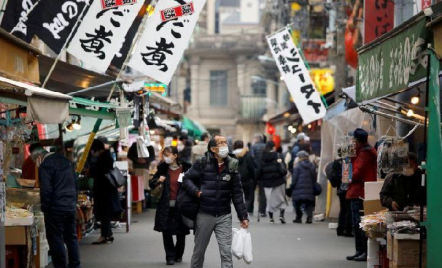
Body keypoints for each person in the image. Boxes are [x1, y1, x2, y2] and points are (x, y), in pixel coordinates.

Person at [183, 135, 249, 268]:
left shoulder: (232, 164)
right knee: (199, 252)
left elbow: (237, 192)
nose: (226, 145)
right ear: (213, 149)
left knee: (226, 253)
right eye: (222, 143)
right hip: (204, 213)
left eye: (226, 142)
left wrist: (243, 216)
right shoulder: (202, 162)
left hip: (224, 215)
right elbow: (187, 179)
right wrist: (197, 192)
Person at [32, 147, 81, 268]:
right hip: (70, 205)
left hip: (55, 207)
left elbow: (46, 190)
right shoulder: (67, 162)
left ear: (39, 157)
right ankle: (75, 265)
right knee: (71, 237)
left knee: (56, 238)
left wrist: (45, 207)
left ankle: (60, 266)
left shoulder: (45, 166)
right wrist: (73, 202)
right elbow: (76, 184)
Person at [150, 146, 191, 265]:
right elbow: (151, 183)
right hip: (165, 204)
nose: (166, 157)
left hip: (182, 205)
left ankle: (178, 254)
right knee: (166, 231)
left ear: (175, 155)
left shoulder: (186, 168)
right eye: (164, 155)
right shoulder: (162, 168)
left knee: (181, 232)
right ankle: (170, 256)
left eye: (168, 155)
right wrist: (158, 180)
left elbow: (194, 182)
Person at [346, 128, 377, 262]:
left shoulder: (365, 153)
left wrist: (347, 175)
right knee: (356, 222)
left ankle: (364, 250)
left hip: (361, 191)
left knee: (360, 222)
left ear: (357, 141)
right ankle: (359, 250)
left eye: (353, 140)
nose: (352, 142)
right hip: (357, 191)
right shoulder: (361, 152)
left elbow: (357, 173)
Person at [89, 139, 122, 245]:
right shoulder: (107, 157)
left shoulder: (102, 159)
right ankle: (107, 235)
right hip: (108, 190)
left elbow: (99, 173)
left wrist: (90, 170)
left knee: (104, 214)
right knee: (105, 214)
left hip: (104, 190)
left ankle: (104, 236)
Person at [256, 141, 288, 224]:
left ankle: (271, 218)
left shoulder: (262, 156)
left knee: (269, 200)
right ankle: (281, 215)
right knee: (281, 199)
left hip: (266, 183)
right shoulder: (277, 155)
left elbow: (259, 170)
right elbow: (282, 170)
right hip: (278, 181)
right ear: (273, 147)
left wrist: (257, 179)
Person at [326, 159, 353, 237]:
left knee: (343, 209)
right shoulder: (347, 161)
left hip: (340, 189)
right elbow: (347, 177)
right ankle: (347, 229)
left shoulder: (338, 161)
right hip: (346, 188)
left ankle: (340, 229)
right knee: (348, 209)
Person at [291, 151, 317, 224]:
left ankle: (298, 217)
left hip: (298, 189)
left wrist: (292, 186)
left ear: (300, 158)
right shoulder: (312, 166)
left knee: (296, 203)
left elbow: (294, 179)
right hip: (309, 188)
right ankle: (309, 217)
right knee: (309, 204)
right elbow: (314, 178)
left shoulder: (297, 166)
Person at [233, 140, 256, 215]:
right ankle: (247, 210)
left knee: (238, 197)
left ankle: (240, 211)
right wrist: (253, 177)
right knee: (248, 196)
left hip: (235, 178)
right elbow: (251, 166)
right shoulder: (247, 154)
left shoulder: (232, 155)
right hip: (247, 178)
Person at [250, 133, 267, 217]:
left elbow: (252, 157)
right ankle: (262, 210)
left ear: (256, 139)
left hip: (254, 171)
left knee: (251, 191)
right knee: (262, 192)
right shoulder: (265, 146)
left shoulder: (253, 147)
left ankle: (250, 210)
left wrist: (255, 166)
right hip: (263, 171)